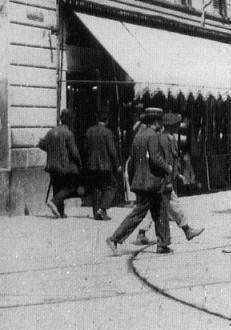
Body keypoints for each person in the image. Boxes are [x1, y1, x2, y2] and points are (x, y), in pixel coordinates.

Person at [106, 107, 172, 255]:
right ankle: (114, 238)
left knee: (160, 210)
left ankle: (163, 244)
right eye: (160, 120)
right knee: (139, 213)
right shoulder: (153, 136)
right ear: (156, 121)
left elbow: (133, 160)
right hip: (151, 182)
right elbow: (155, 158)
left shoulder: (138, 136)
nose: (161, 123)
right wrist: (167, 167)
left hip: (141, 181)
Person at [133, 113, 203, 245]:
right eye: (177, 124)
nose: (178, 127)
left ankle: (142, 233)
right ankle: (186, 230)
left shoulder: (163, 137)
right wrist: (171, 177)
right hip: (165, 181)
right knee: (169, 205)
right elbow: (167, 160)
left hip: (164, 179)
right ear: (173, 126)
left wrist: (178, 175)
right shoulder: (167, 139)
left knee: (155, 206)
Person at [38, 109, 82, 219]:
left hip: (51, 165)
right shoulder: (68, 133)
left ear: (61, 119)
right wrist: (79, 164)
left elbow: (41, 144)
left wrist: (51, 151)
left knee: (57, 187)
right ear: (70, 120)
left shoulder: (51, 132)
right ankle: (53, 202)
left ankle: (60, 212)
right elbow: (74, 153)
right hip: (63, 166)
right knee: (70, 187)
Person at [83, 108, 121, 221]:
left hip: (91, 165)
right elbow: (112, 151)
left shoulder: (89, 131)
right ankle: (103, 208)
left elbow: (85, 149)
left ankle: (96, 212)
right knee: (112, 185)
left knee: (96, 187)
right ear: (107, 120)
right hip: (105, 165)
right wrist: (117, 164)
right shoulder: (108, 133)